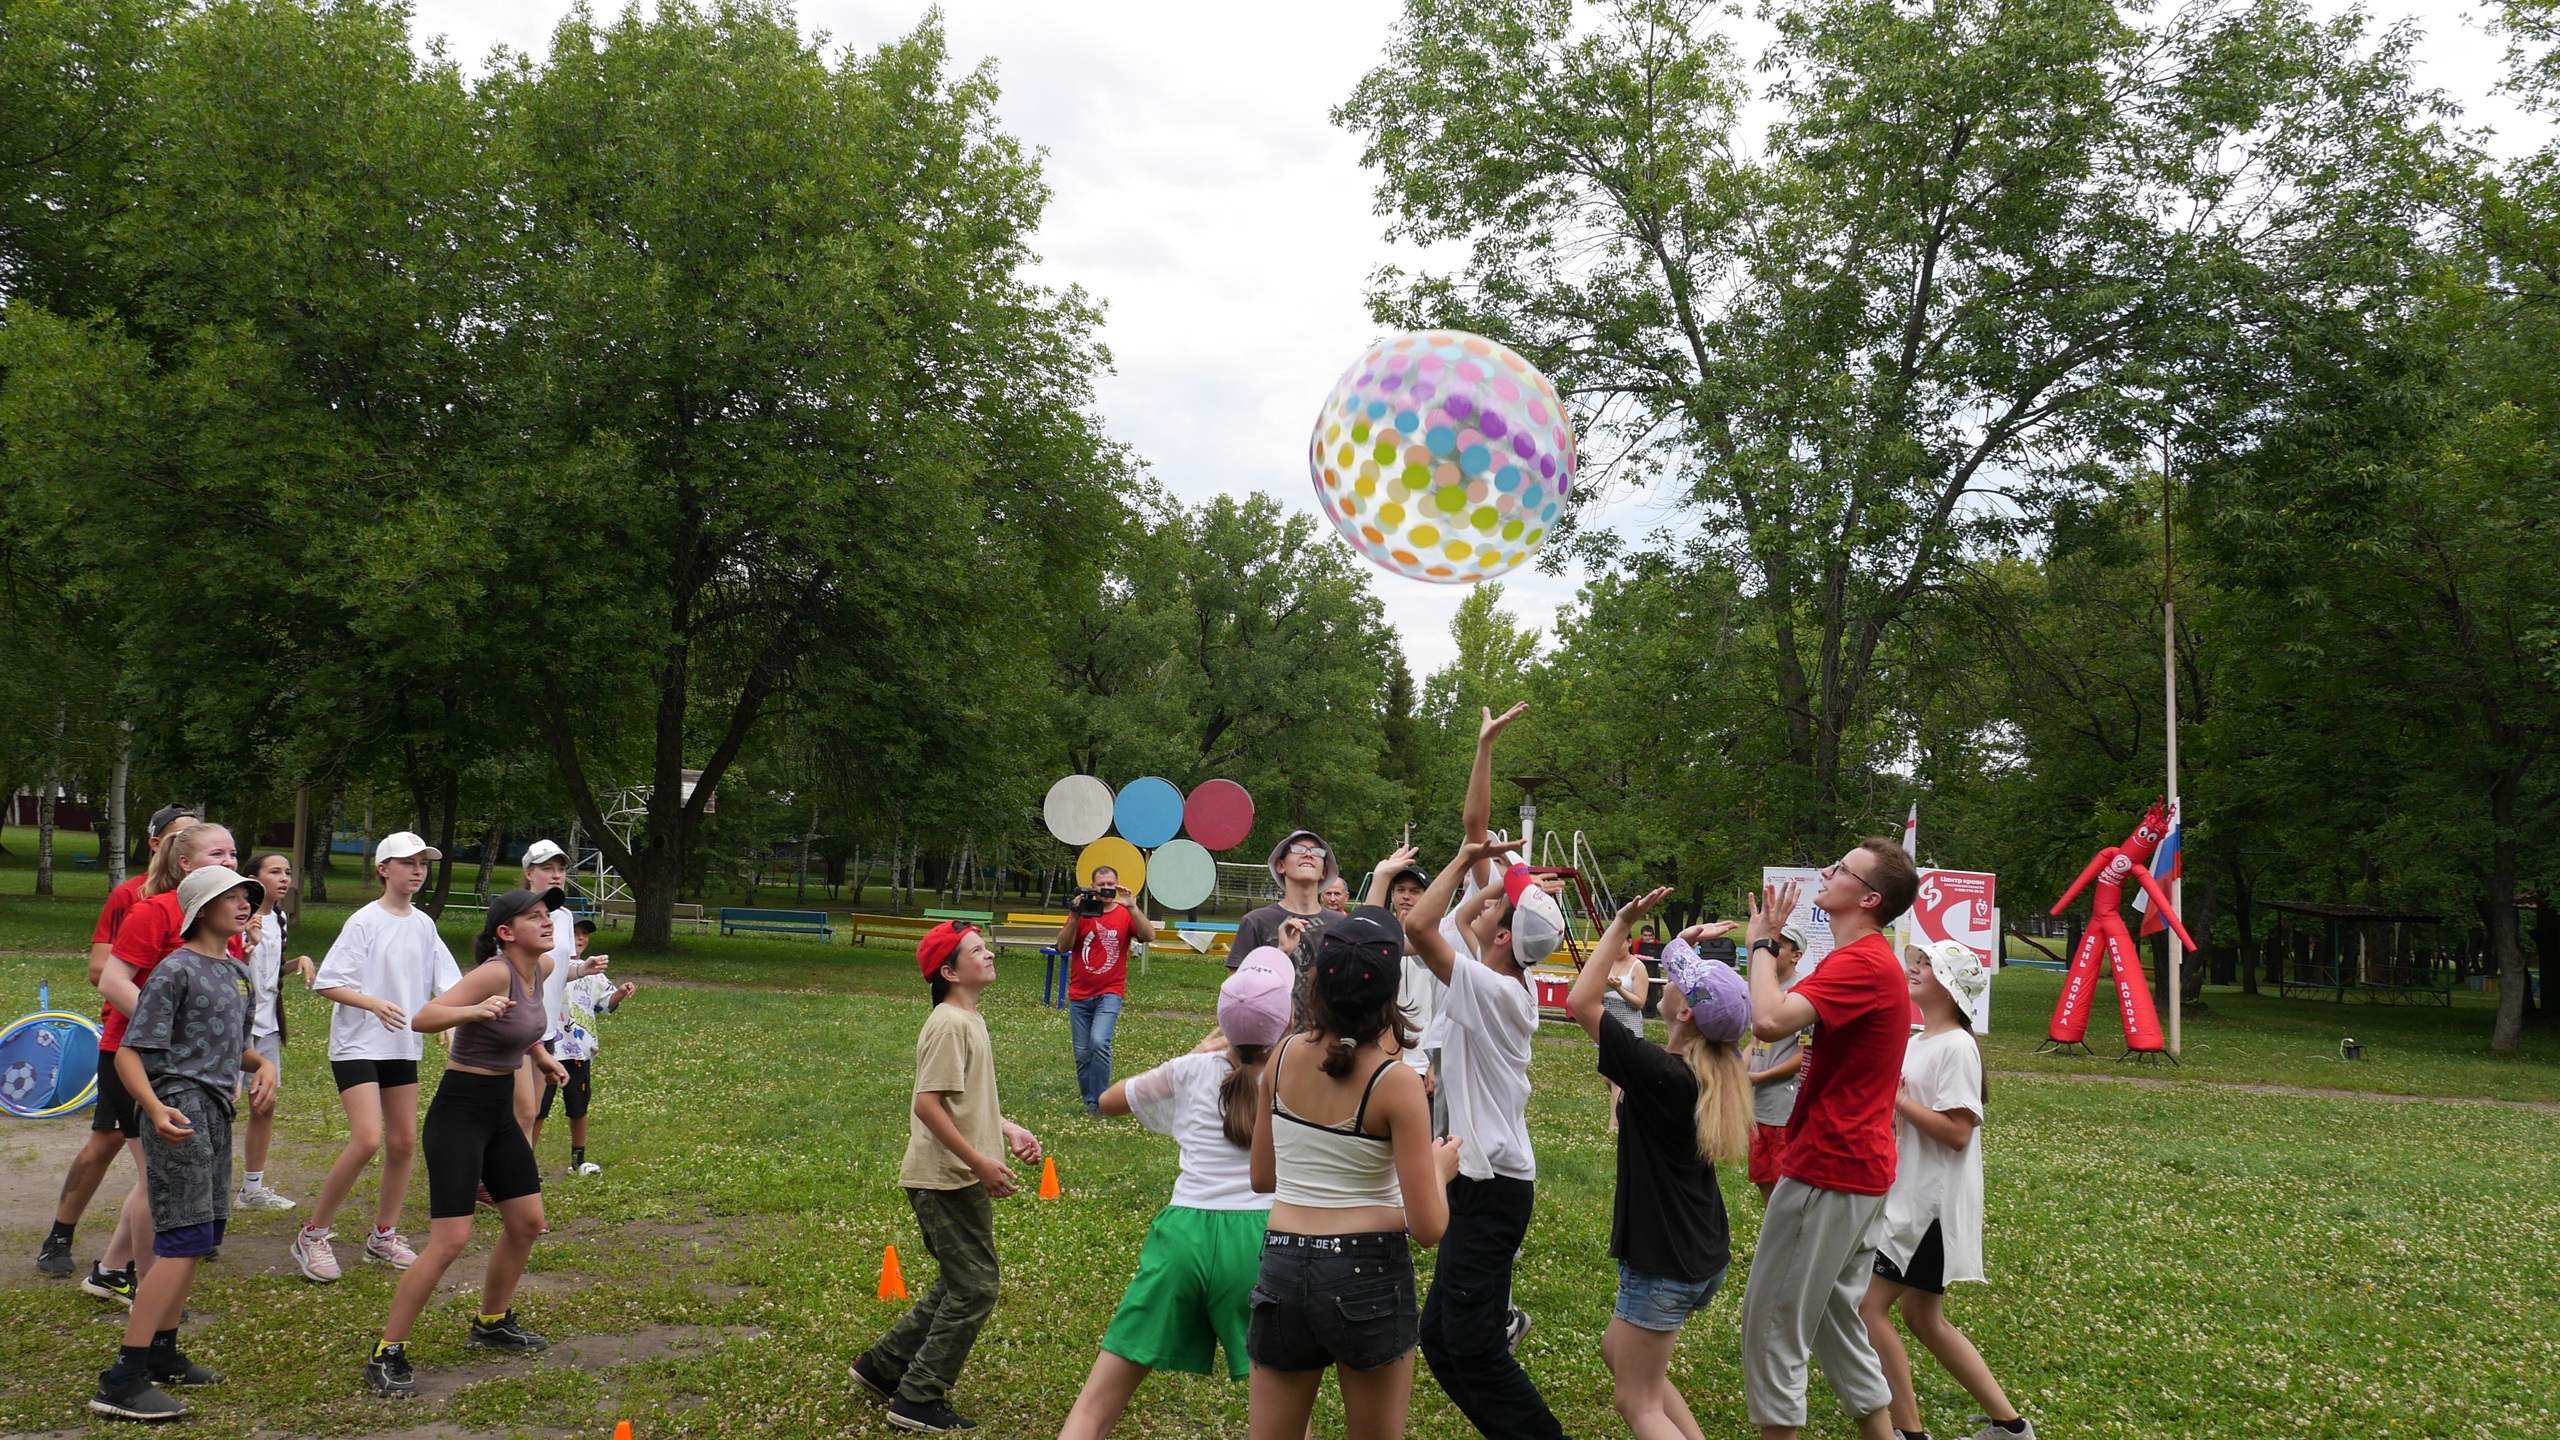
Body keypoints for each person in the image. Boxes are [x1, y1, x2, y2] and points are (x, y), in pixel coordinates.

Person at [1055, 955, 1294, 1439]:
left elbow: (1108, 1101)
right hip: (1261, 1241)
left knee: (1095, 1407)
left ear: (1222, 1019)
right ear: (1289, 1019)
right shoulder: (1300, 1075)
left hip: (1181, 1235)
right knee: (1285, 1423)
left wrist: (1189, 1058)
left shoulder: (1190, 1069)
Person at [1246, 907, 1460, 1440]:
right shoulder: (1396, 1084)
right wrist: (1439, 1168)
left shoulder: (1283, 1055)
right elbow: (1429, 1228)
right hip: (1366, 1273)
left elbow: (1262, 1177)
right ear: (1391, 993)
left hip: (1281, 1267)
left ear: (1315, 980)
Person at [1739, 844, 1923, 1440]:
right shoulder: (1860, 959)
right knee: (1834, 1320)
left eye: (1839, 869)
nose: (1825, 873)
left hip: (1829, 1168)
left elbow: (1767, 1020)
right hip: (1858, 1169)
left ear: (1869, 898)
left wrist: (1762, 945)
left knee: (1773, 1324)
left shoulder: (1862, 964)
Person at [363, 890, 572, 1397]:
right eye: (535, 917)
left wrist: (540, 1056)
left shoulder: (538, 967)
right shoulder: (495, 971)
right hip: (459, 1113)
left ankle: (492, 1321)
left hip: (499, 1110)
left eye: (548, 915)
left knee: (525, 1222)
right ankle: (385, 1353)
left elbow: (523, 1023)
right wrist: (474, 1011)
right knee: (450, 1240)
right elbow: (424, 1017)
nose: (547, 923)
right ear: (505, 931)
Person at [1399, 838, 1573, 1440]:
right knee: (1441, 1342)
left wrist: (1468, 856)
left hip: (1493, 1190)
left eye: (1495, 910)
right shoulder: (1499, 979)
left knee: (1473, 1348)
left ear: (1501, 938)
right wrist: (1501, 884)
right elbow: (1460, 920)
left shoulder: (1493, 991)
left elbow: (1423, 923)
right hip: (1478, 1183)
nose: (1484, 905)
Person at [87, 865, 274, 1422]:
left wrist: (263, 1064)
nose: (244, 903)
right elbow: (129, 1050)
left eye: (247, 896)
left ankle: (163, 1351)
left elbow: (231, 1048)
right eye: (232, 895)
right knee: (183, 1238)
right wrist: (152, 1107)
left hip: (218, 1111)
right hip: (180, 1107)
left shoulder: (239, 973)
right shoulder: (174, 970)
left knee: (202, 1235)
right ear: (199, 907)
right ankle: (122, 1378)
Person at [1565, 889, 1753, 1440]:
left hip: (1663, 1262)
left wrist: (1622, 921)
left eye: (1676, 980)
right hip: (1699, 1250)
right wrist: (1683, 949)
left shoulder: (1658, 1072)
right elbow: (1706, 1003)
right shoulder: (1717, 1064)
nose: (1665, 983)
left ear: (1686, 1011)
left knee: (1637, 1402)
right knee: (1615, 1350)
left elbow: (1581, 1001)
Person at [852, 921, 1045, 1434]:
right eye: (977, 951)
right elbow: (927, 1104)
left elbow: (962, 1098)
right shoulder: (948, 1024)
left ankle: (881, 1367)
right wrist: (978, 1163)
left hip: (957, 1177)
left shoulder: (969, 1019)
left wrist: (1005, 1128)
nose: (989, 954)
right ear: (949, 971)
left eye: (986, 947)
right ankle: (916, 1398)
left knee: (960, 1281)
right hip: (945, 1179)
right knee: (976, 1289)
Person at [1860, 941, 2033, 1440]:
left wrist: (1897, 1100)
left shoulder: (1956, 1045)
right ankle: (2011, 1427)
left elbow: (1958, 1133)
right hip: (1908, 1194)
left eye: (1927, 967)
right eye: (1916, 963)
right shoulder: (1920, 1039)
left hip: (1927, 1207)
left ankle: (1908, 1433)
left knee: (1867, 1307)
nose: (1914, 969)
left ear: (1951, 987)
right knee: (1921, 1315)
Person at [81, 820, 240, 1306]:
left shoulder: (224, 925)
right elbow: (111, 980)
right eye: (218, 855)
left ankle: (111, 1270)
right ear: (185, 864)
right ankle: (153, 1297)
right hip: (138, 1059)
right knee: (161, 1178)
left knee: (157, 1176)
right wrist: (170, 1037)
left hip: (195, 1071)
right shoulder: (155, 912)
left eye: (234, 854)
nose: (230, 863)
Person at [293, 832, 463, 1282]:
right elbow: (328, 982)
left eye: (423, 863)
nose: (417, 870)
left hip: (400, 1045)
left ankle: (383, 1236)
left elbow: (447, 982)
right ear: (384, 869)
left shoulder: (424, 924)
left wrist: (447, 1021)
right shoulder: (364, 922)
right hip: (358, 1045)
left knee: (404, 1142)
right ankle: (313, 1235)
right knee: (367, 1139)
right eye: (407, 862)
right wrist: (371, 1003)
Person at [39, 805, 197, 1284]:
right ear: (158, 846)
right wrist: (165, 1021)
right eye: (181, 837)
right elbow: (100, 972)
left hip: (176, 1054)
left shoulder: (212, 903)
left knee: (162, 1158)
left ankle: (119, 1263)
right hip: (130, 1045)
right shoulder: (133, 898)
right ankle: (61, 1237)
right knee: (112, 1142)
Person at [236, 852, 315, 1211]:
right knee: (221, 1105)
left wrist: (297, 963)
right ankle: (202, 1187)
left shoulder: (279, 917)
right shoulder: (237, 915)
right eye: (275, 872)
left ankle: (252, 1190)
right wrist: (246, 944)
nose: (284, 879)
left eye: (287, 873)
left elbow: (268, 972)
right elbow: (230, 968)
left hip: (265, 1027)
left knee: (264, 1106)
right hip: (234, 1027)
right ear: (253, 878)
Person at [517, 839, 604, 1154]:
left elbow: (557, 971)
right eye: (547, 868)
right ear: (529, 873)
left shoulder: (565, 917)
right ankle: (495, 1178)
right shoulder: (515, 911)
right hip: (519, 1025)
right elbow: (506, 970)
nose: (556, 875)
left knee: (533, 1110)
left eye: (561, 869)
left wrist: (583, 970)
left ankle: (517, 1179)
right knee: (521, 1110)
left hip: (548, 1029)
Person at [1053, 865, 1156, 1114]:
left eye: (1111, 884)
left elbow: (1149, 935)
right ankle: (1091, 1100)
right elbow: (1062, 947)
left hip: (1110, 990)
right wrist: (1075, 915)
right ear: (1093, 886)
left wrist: (1132, 906)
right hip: (1080, 993)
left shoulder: (1123, 912)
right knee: (1081, 1052)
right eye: (1101, 884)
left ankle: (1100, 1102)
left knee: (1099, 1042)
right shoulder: (1083, 912)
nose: (1107, 888)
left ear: (1117, 885)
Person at [543, 918, 635, 1176]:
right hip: (547, 1050)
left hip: (578, 1051)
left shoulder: (595, 973)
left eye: (584, 934)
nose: (580, 938)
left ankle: (578, 1160)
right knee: (537, 1109)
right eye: (574, 933)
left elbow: (604, 1003)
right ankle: (525, 1162)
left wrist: (620, 992)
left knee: (578, 1106)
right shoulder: (549, 965)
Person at [1745, 923, 1812, 1201]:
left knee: (1784, 1186)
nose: (1770, 952)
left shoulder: (1802, 993)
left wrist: (1762, 1077)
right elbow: (1754, 1042)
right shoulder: (1764, 990)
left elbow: (1806, 1054)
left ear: (1796, 955)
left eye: (1779, 946)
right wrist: (1737, 1072)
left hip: (1785, 1109)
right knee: (1762, 1179)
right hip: (1758, 1107)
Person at [1226, 830, 1340, 991]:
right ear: (1280, 866)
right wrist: (1280, 953)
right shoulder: (1256, 922)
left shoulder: (1342, 925)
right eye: (1298, 849)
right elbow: (1234, 994)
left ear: (1324, 872)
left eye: (1317, 851)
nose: (1308, 854)